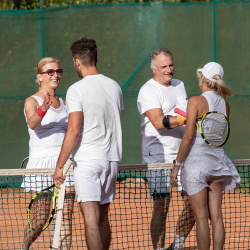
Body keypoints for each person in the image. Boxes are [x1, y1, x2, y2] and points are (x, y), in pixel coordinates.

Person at [53, 37, 123, 250]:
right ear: (95, 58)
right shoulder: (114, 86)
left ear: (76, 62)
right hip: (111, 161)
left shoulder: (76, 89)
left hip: (88, 162)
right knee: (103, 219)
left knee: (90, 220)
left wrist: (59, 166)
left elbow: (73, 131)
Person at [170, 62, 241, 250]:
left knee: (201, 218)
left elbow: (188, 137)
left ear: (203, 79)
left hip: (196, 166)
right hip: (217, 163)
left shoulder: (194, 101)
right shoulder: (225, 105)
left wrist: (176, 165)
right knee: (216, 217)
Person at [137, 47, 195, 250]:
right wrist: (188, 118)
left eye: (171, 65)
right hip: (158, 156)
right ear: (154, 69)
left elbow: (185, 112)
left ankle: (176, 247)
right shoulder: (148, 90)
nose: (169, 70)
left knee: (194, 203)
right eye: (164, 67)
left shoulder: (179, 85)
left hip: (184, 154)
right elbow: (159, 122)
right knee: (162, 206)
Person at [21, 57, 75, 249]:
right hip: (41, 163)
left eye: (58, 71)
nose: (55, 75)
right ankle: (23, 247)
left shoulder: (66, 102)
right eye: (50, 72)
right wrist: (44, 107)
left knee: (66, 216)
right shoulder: (31, 101)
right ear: (40, 76)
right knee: (40, 220)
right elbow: (33, 123)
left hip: (66, 163)